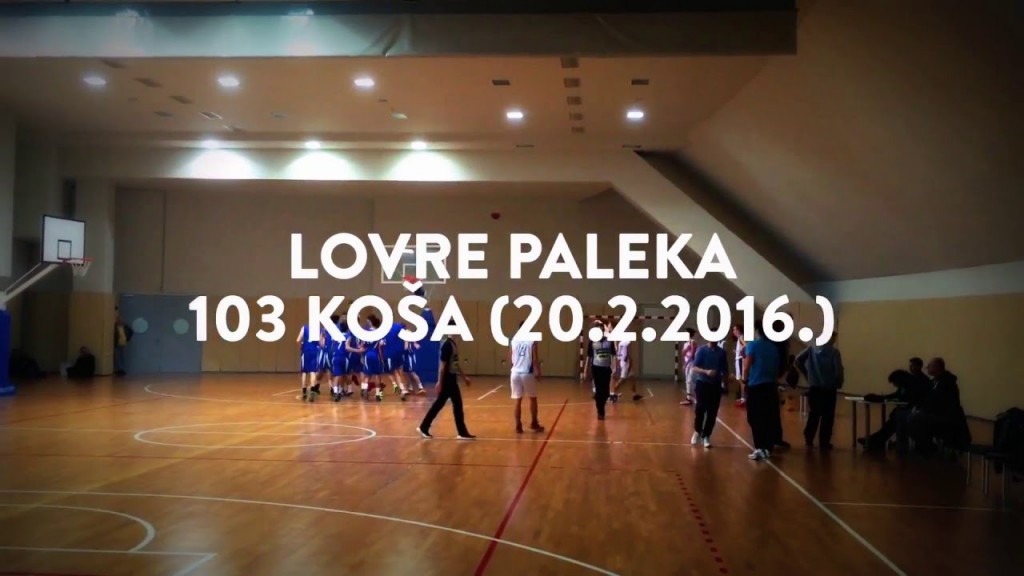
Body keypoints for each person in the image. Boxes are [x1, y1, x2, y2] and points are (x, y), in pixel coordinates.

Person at [417, 321, 475, 439]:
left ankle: (425, 426)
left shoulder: (453, 344)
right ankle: (424, 427)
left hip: (452, 378)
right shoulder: (447, 345)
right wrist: (440, 382)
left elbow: (455, 364)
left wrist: (464, 377)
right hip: (448, 380)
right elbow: (442, 366)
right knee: (444, 404)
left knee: (451, 404)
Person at [908, 358, 970, 452]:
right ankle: (923, 446)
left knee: (915, 418)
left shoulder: (947, 383)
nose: (927, 367)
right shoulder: (935, 382)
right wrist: (919, 408)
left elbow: (939, 403)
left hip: (944, 417)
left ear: (937, 367)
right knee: (910, 417)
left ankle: (927, 447)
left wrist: (922, 410)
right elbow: (928, 399)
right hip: (935, 414)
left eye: (930, 366)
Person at [857, 369, 928, 451]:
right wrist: (882, 397)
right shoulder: (905, 385)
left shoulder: (912, 385)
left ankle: (876, 440)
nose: (894, 385)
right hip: (905, 410)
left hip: (912, 411)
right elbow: (896, 395)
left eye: (894, 383)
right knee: (891, 423)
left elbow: (909, 399)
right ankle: (876, 439)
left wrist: (883, 398)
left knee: (892, 422)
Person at [796, 332, 844, 450]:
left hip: (814, 387)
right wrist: (839, 383)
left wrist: (807, 375)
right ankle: (824, 442)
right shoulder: (834, 352)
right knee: (828, 416)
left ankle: (809, 438)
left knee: (814, 414)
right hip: (829, 388)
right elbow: (838, 371)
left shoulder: (811, 349)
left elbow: (798, 360)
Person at [741, 321, 780, 461]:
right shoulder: (773, 347)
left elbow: (747, 366)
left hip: (756, 386)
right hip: (770, 386)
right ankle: (767, 448)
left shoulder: (752, 345)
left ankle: (759, 447)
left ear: (757, 330)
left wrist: (744, 381)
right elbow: (776, 368)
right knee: (768, 417)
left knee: (754, 418)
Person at [690, 338, 728, 448]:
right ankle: (697, 430)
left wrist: (725, 383)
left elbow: (725, 370)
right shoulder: (702, 350)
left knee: (712, 412)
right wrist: (706, 371)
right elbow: (694, 368)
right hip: (702, 383)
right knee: (700, 409)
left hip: (715, 385)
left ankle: (706, 435)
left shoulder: (721, 352)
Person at [509, 321, 545, 434]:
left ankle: (518, 426)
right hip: (526, 372)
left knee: (518, 400)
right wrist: (538, 372)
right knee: (532, 398)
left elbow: (510, 356)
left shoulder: (514, 340)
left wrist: (514, 367)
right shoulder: (532, 340)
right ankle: (534, 423)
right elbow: (535, 359)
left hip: (515, 372)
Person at [583, 320, 614, 420]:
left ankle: (601, 403)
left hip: (606, 369)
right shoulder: (592, 342)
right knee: (599, 390)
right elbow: (589, 357)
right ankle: (600, 411)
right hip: (596, 368)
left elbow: (613, 354)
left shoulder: (609, 341)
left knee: (605, 392)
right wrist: (585, 370)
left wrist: (614, 367)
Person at [296, 322, 324, 402]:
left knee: (304, 372)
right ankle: (312, 390)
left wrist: (301, 347)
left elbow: (298, 340)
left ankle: (304, 392)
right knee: (313, 372)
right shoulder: (319, 330)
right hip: (315, 351)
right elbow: (321, 344)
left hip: (305, 351)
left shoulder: (304, 328)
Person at [610, 337, 639, 402]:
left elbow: (619, 354)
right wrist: (629, 362)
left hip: (623, 362)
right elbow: (628, 353)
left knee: (632, 378)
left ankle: (635, 394)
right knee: (622, 379)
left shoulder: (620, 343)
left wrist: (619, 361)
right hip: (626, 362)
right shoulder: (627, 342)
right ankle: (612, 393)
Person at [680, 328, 697, 406]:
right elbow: (683, 353)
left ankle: (692, 398)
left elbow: (692, 355)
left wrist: (686, 364)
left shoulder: (692, 342)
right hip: (687, 363)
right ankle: (688, 398)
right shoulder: (686, 343)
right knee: (687, 381)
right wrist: (686, 350)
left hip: (691, 363)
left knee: (690, 380)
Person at [731, 325, 746, 406]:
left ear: (739, 330)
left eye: (735, 329)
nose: (734, 331)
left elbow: (746, 345)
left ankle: (744, 398)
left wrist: (741, 352)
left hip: (740, 360)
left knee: (741, 380)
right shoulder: (739, 339)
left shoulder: (741, 338)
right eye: (733, 330)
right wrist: (737, 351)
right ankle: (742, 397)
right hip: (738, 359)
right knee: (739, 380)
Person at [113, 308, 131, 376]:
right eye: (118, 320)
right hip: (117, 343)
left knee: (121, 356)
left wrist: (127, 339)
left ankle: (122, 369)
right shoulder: (115, 327)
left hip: (123, 343)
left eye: (120, 320)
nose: (120, 321)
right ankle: (119, 369)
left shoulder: (125, 327)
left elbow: (130, 331)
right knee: (117, 357)